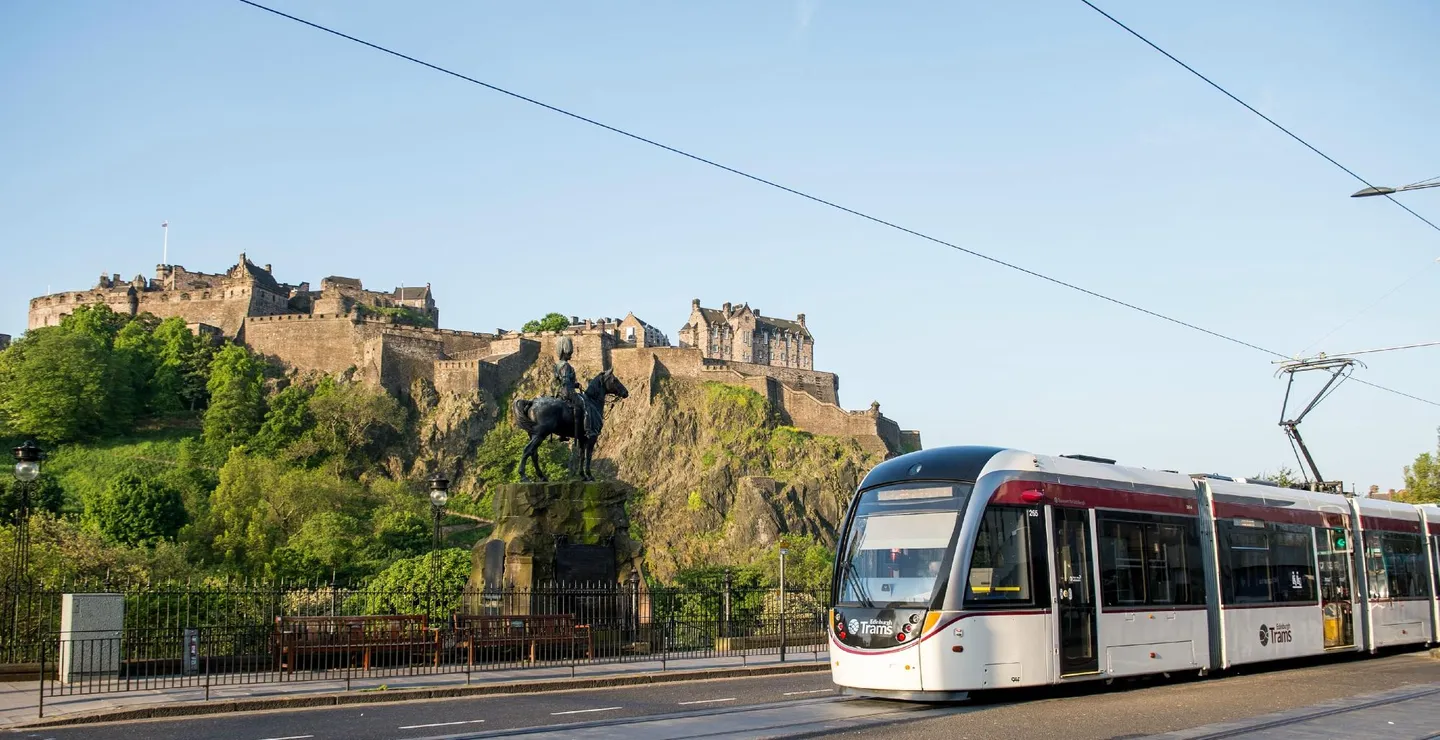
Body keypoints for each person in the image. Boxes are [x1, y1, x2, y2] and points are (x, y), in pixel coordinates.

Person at [552, 337, 583, 442]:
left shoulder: (557, 365)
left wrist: (576, 385)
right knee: (584, 405)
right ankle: (584, 429)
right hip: (567, 392)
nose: (571, 355)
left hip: (558, 392)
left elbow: (559, 380)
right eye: (569, 353)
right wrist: (574, 386)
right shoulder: (565, 365)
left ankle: (562, 433)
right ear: (564, 353)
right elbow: (566, 381)